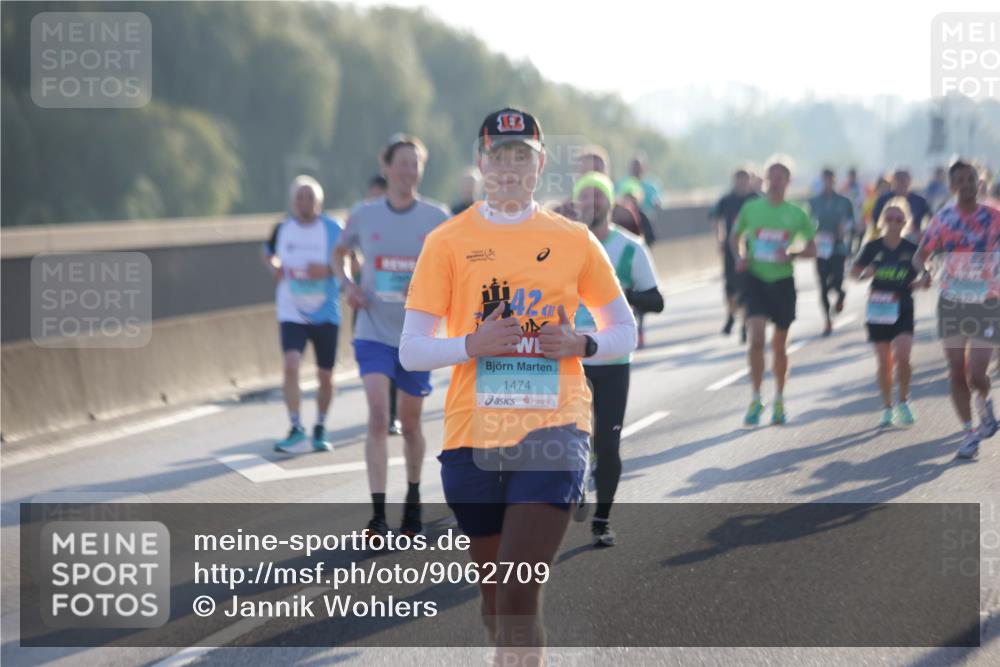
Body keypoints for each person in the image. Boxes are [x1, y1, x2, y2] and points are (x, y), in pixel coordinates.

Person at [399, 107, 636, 659]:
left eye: (521, 157)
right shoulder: (447, 242)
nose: (508, 167)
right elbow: (411, 350)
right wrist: (470, 345)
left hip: (554, 429)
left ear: (540, 165)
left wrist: (583, 343)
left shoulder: (575, 240)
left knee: (517, 587)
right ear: (481, 162)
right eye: (498, 156)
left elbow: (622, 329)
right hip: (472, 437)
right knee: (495, 600)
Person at [333, 133, 450, 536]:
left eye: (414, 163)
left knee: (413, 425)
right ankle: (378, 514)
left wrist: (425, 289)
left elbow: (455, 268)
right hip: (373, 330)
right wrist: (348, 287)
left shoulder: (437, 218)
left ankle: (414, 496)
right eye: (401, 163)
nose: (408, 171)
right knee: (380, 416)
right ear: (386, 168)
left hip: (417, 336)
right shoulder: (363, 215)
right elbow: (338, 253)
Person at [570, 170, 663, 546]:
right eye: (585, 196)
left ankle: (602, 520)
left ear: (611, 203)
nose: (592, 203)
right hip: (569, 360)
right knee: (569, 440)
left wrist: (624, 295)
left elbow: (656, 300)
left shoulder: (630, 248)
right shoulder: (563, 246)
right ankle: (574, 487)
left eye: (598, 196)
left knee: (606, 446)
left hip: (611, 361)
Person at [914, 160, 1000, 459]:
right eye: (959, 180)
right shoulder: (943, 220)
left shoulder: (995, 217)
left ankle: (984, 403)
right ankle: (969, 432)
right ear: (951, 186)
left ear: (980, 182)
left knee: (977, 375)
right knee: (955, 370)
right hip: (952, 301)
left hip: (987, 301)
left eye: (971, 178)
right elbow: (920, 255)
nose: (966, 184)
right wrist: (924, 272)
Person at [729, 160, 817, 426]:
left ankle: (779, 398)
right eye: (772, 176)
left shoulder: (797, 213)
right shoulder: (752, 208)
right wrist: (739, 257)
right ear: (766, 180)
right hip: (756, 279)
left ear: (788, 182)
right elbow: (734, 237)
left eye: (781, 177)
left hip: (782, 282)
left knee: (779, 346)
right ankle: (756, 397)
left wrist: (792, 252)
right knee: (756, 339)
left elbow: (812, 249)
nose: (776, 181)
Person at [262, 176, 343, 453]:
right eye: (300, 197)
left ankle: (320, 424)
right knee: (291, 364)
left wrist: (329, 270)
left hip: (325, 311)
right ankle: (296, 426)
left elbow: (354, 261)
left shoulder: (333, 228)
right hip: (291, 308)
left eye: (310, 197)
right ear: (293, 201)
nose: (305, 202)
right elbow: (268, 252)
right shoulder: (283, 228)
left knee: (325, 375)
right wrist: (274, 267)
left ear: (319, 201)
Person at [851, 198, 930, 427]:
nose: (894, 223)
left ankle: (903, 400)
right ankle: (887, 406)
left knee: (903, 357)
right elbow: (854, 274)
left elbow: (922, 271)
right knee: (884, 362)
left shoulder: (910, 248)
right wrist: (867, 272)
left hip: (903, 306)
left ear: (905, 221)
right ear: (882, 221)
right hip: (879, 307)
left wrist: (924, 280)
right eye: (889, 218)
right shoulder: (872, 247)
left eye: (898, 219)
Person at [712, 168, 759, 340]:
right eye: (739, 179)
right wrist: (720, 238)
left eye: (745, 179)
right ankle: (731, 315)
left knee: (747, 289)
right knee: (730, 288)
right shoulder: (726, 199)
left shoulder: (755, 199)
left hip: (750, 249)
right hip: (731, 249)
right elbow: (715, 217)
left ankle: (745, 326)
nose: (742, 183)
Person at [809, 167, 856, 336]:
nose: (827, 183)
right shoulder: (814, 201)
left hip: (838, 247)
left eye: (830, 180)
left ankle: (841, 295)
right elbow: (808, 222)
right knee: (822, 285)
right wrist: (812, 233)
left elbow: (852, 221)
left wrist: (845, 227)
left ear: (834, 181)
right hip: (821, 247)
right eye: (824, 180)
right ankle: (827, 321)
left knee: (837, 281)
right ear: (821, 181)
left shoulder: (844, 201)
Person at [872, 168, 931, 241]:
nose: (901, 184)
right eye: (898, 181)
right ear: (893, 182)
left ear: (909, 182)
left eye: (903, 181)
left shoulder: (920, 202)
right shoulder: (884, 200)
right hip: (886, 236)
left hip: (912, 238)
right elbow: (875, 220)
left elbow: (929, 219)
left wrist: (921, 231)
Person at [840, 167, 866, 255]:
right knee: (849, 236)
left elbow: (862, 202)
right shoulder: (845, 186)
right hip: (848, 216)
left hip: (858, 215)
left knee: (860, 235)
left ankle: (857, 253)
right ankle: (848, 253)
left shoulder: (860, 187)